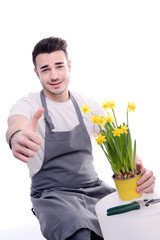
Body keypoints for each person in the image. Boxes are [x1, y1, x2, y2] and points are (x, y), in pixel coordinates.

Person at [6, 37, 155, 240]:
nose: (54, 75)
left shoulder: (88, 105)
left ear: (69, 66)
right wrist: (17, 137)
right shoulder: (29, 104)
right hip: (52, 195)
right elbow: (16, 123)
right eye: (45, 69)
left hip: (95, 188)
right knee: (79, 231)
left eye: (59, 66)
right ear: (37, 73)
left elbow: (117, 144)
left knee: (136, 220)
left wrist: (137, 171)